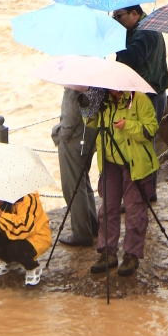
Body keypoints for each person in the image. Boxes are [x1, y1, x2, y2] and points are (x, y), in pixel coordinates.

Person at [85, 88, 159, 277]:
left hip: (135, 164)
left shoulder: (139, 100)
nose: (113, 89)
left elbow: (151, 130)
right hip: (110, 163)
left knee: (135, 211)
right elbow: (90, 122)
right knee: (107, 210)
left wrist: (128, 124)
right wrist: (88, 103)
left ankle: (131, 255)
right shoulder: (104, 102)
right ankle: (107, 253)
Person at [114, 4, 168, 199]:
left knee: (144, 142)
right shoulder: (139, 28)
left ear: (134, 14)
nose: (116, 21)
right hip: (147, 93)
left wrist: (113, 40)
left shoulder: (146, 31)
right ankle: (144, 192)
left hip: (151, 95)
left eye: (119, 16)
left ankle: (146, 193)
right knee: (141, 142)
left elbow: (133, 58)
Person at [0, 192, 52, 287]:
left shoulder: (28, 199)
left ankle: (33, 268)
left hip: (35, 236)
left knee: (15, 249)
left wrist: (1, 216)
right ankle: (9, 262)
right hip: (11, 234)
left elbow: (25, 227)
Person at [51, 89, 99, 245]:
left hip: (74, 139)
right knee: (83, 182)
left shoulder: (74, 84)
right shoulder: (94, 78)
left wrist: (61, 136)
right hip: (89, 136)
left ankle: (81, 233)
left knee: (73, 187)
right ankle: (92, 225)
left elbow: (70, 116)